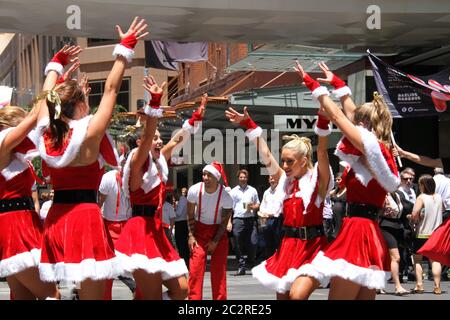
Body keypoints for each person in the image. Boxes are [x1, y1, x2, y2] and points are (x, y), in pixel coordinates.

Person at [35, 18, 148, 300]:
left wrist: (56, 64)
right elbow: (110, 89)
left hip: (57, 217)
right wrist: (125, 48)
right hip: (84, 218)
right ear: (81, 105)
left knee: (57, 293)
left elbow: (43, 99)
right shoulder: (89, 133)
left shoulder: (48, 132)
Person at [296, 60, 400, 300]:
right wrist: (339, 85)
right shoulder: (376, 149)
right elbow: (350, 114)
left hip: (357, 232)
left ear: (366, 125)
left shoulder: (370, 146)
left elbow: (339, 117)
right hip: (369, 231)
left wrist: (313, 86)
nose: (356, 124)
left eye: (360, 122)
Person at [225, 102, 333, 300]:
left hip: (312, 247)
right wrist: (248, 124)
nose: (284, 165)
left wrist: (324, 122)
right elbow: (266, 154)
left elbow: (323, 153)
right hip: (287, 247)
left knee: (297, 296)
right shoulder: (286, 182)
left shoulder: (317, 181)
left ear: (304, 159)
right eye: (283, 160)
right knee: (282, 298)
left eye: (289, 161)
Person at [115, 82, 208, 299]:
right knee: (152, 295)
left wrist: (196, 117)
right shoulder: (137, 161)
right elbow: (147, 138)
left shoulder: (158, 162)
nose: (159, 140)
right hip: (140, 230)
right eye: (155, 138)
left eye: (159, 138)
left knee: (182, 289)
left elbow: (177, 140)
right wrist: (155, 103)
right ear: (141, 142)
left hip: (157, 230)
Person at [0, 105, 59, 300]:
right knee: (52, 295)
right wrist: (52, 75)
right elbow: (35, 115)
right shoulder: (3, 145)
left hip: (21, 223)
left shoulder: (15, 155)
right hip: (15, 226)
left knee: (23, 296)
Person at [186, 162, 233, 300]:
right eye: (204, 174)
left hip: (218, 231)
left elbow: (224, 222)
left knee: (218, 272)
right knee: (195, 269)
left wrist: (215, 241)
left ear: (216, 178)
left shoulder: (225, 196)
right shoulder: (194, 190)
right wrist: (191, 235)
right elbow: (189, 214)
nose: (205, 177)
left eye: (209, 175)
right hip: (199, 230)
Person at [98, 155, 134, 299]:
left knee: (133, 265)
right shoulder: (108, 178)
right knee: (108, 268)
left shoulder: (136, 179)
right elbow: (99, 203)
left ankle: (138, 291)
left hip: (128, 225)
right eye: (125, 165)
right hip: (108, 224)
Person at [407, 175, 443, 295]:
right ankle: (437, 286)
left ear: (423, 185)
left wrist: (411, 217)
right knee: (435, 260)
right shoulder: (439, 197)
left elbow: (415, 214)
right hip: (436, 235)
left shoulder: (421, 197)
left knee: (418, 260)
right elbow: (442, 210)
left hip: (422, 234)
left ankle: (420, 285)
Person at [229, 169, 260, 276]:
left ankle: (251, 261)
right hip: (238, 220)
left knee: (253, 242)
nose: (243, 179)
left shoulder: (253, 190)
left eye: (245, 177)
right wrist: (229, 222)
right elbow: (229, 208)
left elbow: (258, 204)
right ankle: (241, 266)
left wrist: (253, 207)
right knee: (237, 243)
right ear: (238, 178)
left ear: (247, 178)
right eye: (241, 177)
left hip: (250, 219)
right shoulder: (233, 191)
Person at [379, 192, 409, 295]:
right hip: (385, 227)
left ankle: (378, 285)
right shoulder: (382, 194)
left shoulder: (398, 195)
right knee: (396, 257)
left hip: (398, 227)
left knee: (384, 257)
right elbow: (375, 210)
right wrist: (382, 209)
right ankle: (398, 286)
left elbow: (407, 207)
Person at [257, 175, 284, 260]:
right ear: (268, 180)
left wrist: (271, 214)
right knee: (267, 242)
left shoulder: (281, 191)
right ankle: (270, 261)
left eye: (273, 177)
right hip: (266, 220)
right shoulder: (266, 192)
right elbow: (262, 205)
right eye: (270, 177)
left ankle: (279, 261)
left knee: (278, 241)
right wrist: (262, 213)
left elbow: (281, 206)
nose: (272, 179)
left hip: (277, 219)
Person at [173, 188, 190, 269]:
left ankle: (186, 263)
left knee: (182, 244)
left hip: (181, 223)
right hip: (181, 223)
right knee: (181, 244)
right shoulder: (182, 200)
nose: (174, 197)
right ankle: (185, 262)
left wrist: (173, 212)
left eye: (174, 195)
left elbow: (178, 213)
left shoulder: (182, 200)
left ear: (177, 194)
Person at [328, 171, 347, 242]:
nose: (337, 181)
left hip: (343, 218)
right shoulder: (336, 190)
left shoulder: (348, 190)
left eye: (339, 179)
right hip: (334, 219)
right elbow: (326, 194)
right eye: (336, 180)